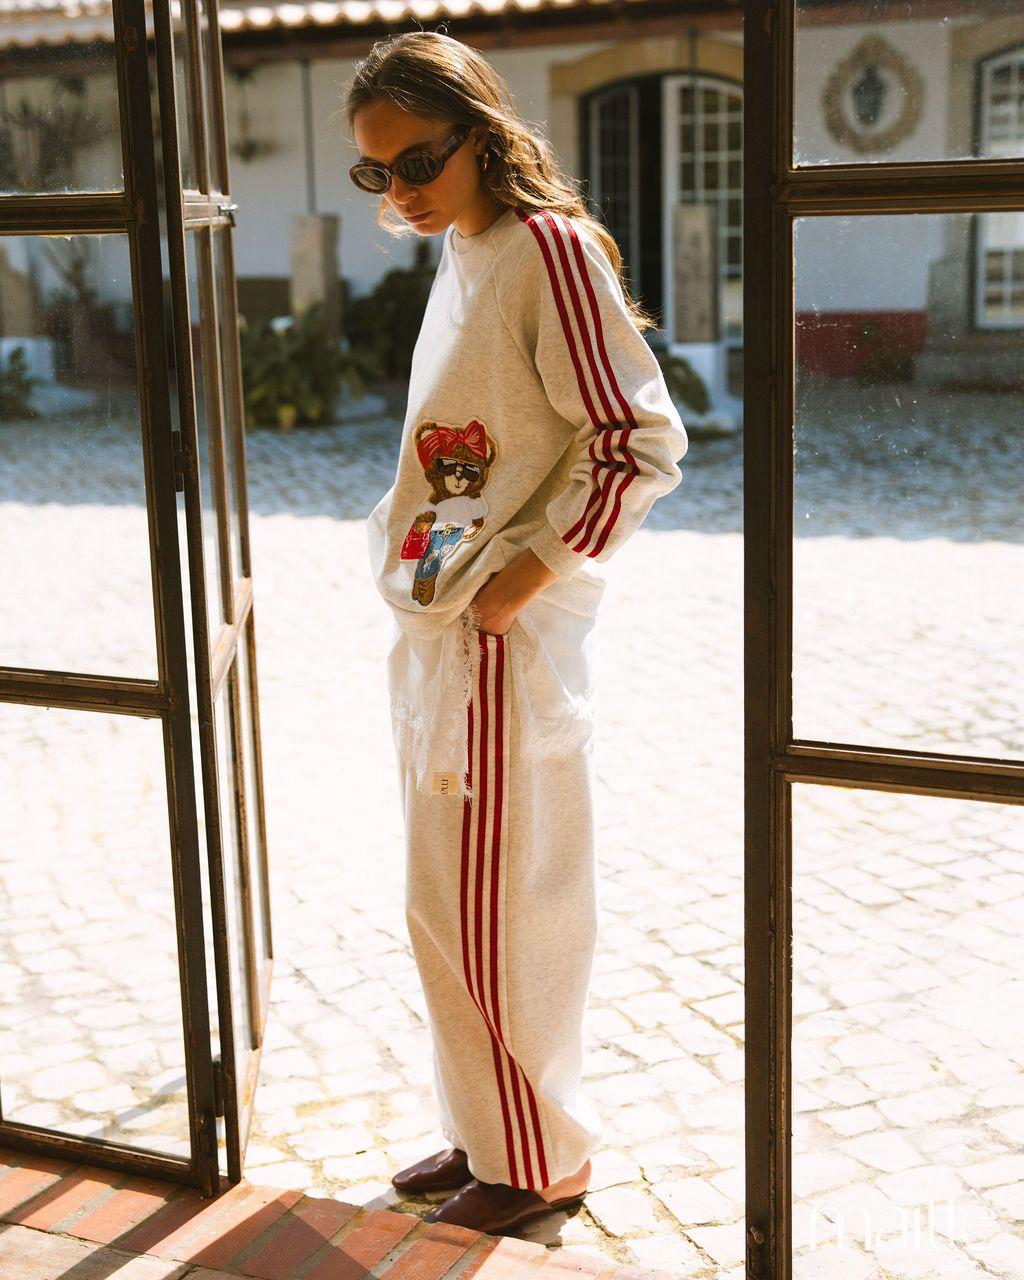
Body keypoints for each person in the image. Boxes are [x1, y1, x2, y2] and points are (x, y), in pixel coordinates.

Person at [343, 30, 688, 1236]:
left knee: (504, 901)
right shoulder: (467, 246)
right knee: (445, 898)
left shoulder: (547, 247)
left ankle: (539, 1159)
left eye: (418, 160)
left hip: (501, 639)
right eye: (376, 171)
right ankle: (487, 1128)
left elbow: (636, 443)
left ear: (481, 136)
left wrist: (521, 581)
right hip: (445, 629)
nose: (400, 190)